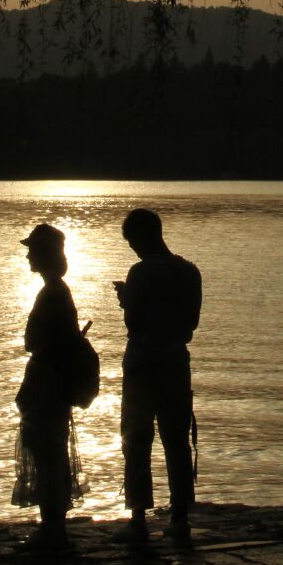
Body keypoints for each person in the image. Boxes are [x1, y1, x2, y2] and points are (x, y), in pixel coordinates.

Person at [112, 208, 202, 547]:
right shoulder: (190, 272)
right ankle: (180, 518)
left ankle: (138, 519)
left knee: (136, 440)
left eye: (133, 241)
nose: (132, 248)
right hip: (176, 361)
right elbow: (190, 324)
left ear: (145, 236)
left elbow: (134, 323)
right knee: (176, 441)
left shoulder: (140, 273)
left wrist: (126, 300)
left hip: (142, 362)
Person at [12, 223, 84, 552]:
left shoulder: (52, 292)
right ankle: (53, 527)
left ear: (44, 254)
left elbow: (34, 341)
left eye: (32, 249)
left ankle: (52, 529)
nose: (28, 254)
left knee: (47, 454)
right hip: (51, 383)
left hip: (48, 385)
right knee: (49, 453)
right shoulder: (56, 291)